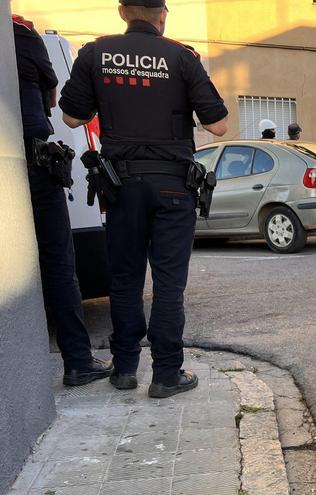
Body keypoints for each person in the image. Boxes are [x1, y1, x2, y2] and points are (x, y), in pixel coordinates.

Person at [59, 0, 229, 398]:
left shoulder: (96, 53)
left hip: (122, 185)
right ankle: (167, 374)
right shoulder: (181, 56)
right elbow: (218, 126)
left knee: (124, 279)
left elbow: (70, 117)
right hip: (173, 186)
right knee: (169, 283)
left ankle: (124, 368)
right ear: (163, 15)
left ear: (122, 12)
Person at [13, 14, 113, 386]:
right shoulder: (21, 32)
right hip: (33, 159)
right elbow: (52, 97)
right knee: (57, 259)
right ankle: (77, 360)